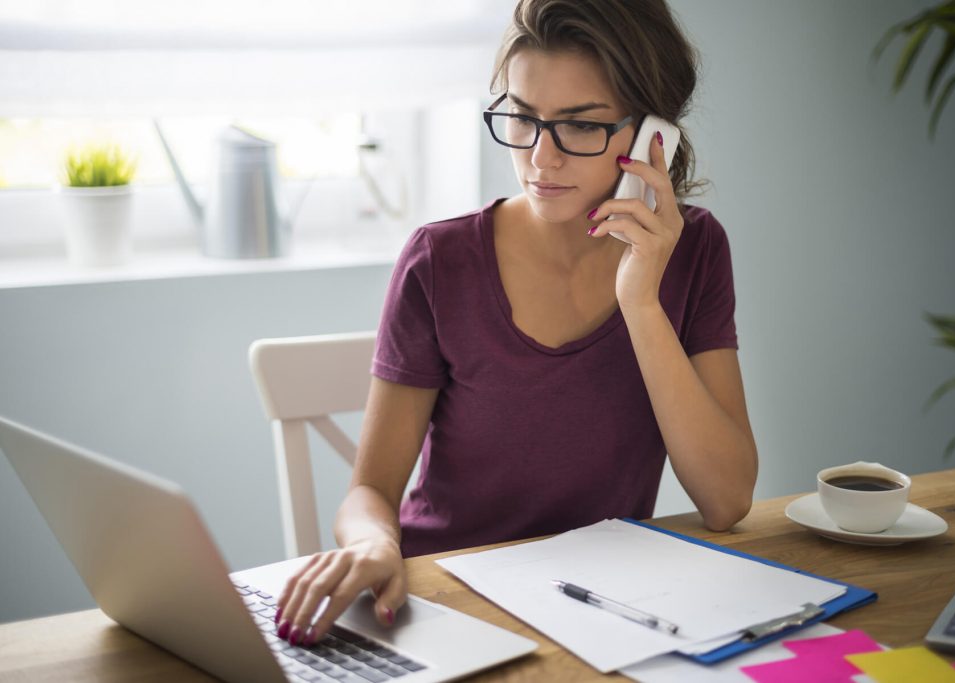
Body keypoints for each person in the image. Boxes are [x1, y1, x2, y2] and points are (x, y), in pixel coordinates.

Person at [274, 0, 758, 648]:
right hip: (443, 604)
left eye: (579, 128)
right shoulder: (437, 262)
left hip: (600, 615)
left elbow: (726, 501)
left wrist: (642, 301)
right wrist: (373, 544)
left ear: (654, 138)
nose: (540, 158)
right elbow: (370, 490)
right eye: (522, 119)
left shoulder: (693, 251)